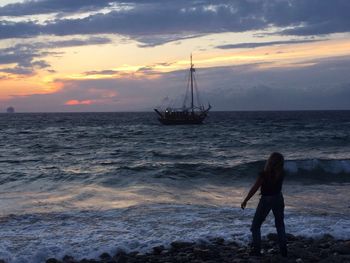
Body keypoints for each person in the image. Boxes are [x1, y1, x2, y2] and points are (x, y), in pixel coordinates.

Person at [241, 152, 287, 257]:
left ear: (270, 161)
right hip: (278, 198)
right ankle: (284, 251)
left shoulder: (264, 174)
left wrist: (245, 200)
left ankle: (257, 251)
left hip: (266, 200)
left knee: (255, 226)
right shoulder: (282, 173)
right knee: (280, 225)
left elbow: (255, 188)